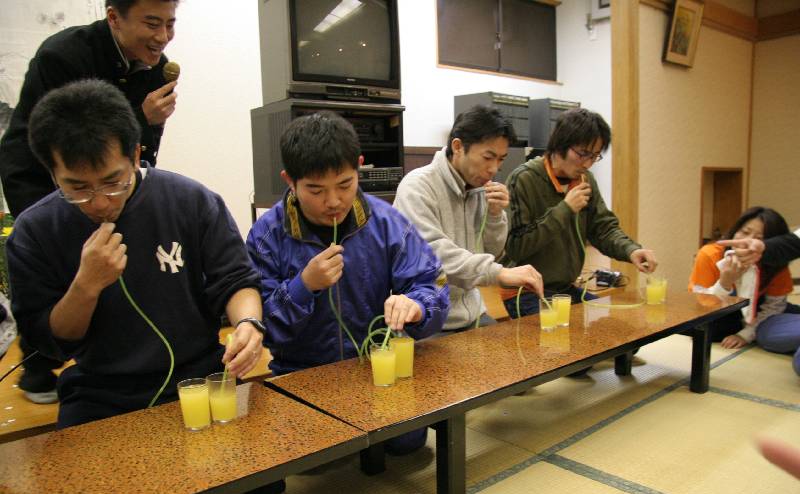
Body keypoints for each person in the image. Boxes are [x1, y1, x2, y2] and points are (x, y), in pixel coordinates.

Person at [6, 79, 263, 429]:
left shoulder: (191, 201)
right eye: (78, 188)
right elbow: (50, 343)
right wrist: (86, 286)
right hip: (99, 393)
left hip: (201, 377)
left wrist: (248, 323)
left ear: (136, 155)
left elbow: (235, 279)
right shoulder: (35, 232)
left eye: (113, 182)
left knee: (255, 458)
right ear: (52, 173)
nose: (100, 203)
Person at [0, 0, 180, 403]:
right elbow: (64, 139)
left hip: (103, 175)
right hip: (40, 174)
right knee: (56, 266)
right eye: (152, 23)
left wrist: (145, 133)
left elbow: (136, 147)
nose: (162, 36)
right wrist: (141, 117)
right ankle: (38, 363)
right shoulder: (63, 55)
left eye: (169, 24)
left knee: (109, 261)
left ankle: (111, 355)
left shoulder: (158, 68)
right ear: (114, 17)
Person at [247, 111, 449, 455]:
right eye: (315, 190)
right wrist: (303, 286)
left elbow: (433, 285)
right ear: (289, 180)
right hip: (302, 372)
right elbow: (262, 328)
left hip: (373, 365)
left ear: (359, 167)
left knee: (408, 442)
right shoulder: (266, 235)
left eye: (344, 184)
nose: (333, 201)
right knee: (314, 458)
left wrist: (416, 305)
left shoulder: (386, 222)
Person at [393, 105, 543, 333]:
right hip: (427, 319)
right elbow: (434, 256)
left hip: (474, 315)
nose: (494, 169)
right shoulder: (417, 187)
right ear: (458, 147)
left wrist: (495, 215)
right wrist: (499, 273)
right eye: (488, 157)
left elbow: (493, 253)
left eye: (501, 159)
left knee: (523, 350)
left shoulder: (480, 188)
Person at [501, 108, 657, 317]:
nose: (588, 163)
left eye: (594, 156)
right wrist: (565, 209)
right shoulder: (523, 179)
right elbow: (516, 247)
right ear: (560, 144)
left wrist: (631, 250)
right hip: (526, 292)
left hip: (564, 289)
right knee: (563, 335)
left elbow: (603, 229)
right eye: (583, 154)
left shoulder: (585, 180)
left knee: (616, 327)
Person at [689, 207, 800, 372]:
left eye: (760, 238)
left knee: (767, 331)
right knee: (707, 331)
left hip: (763, 310)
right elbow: (699, 306)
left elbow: (774, 305)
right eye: (744, 232)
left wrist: (746, 334)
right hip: (722, 309)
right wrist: (725, 282)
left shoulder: (775, 261)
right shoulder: (711, 254)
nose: (747, 241)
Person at [719, 229, 800, 268]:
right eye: (745, 232)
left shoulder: (777, 270)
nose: (750, 238)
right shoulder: (716, 253)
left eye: (759, 237)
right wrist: (764, 247)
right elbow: (792, 243)